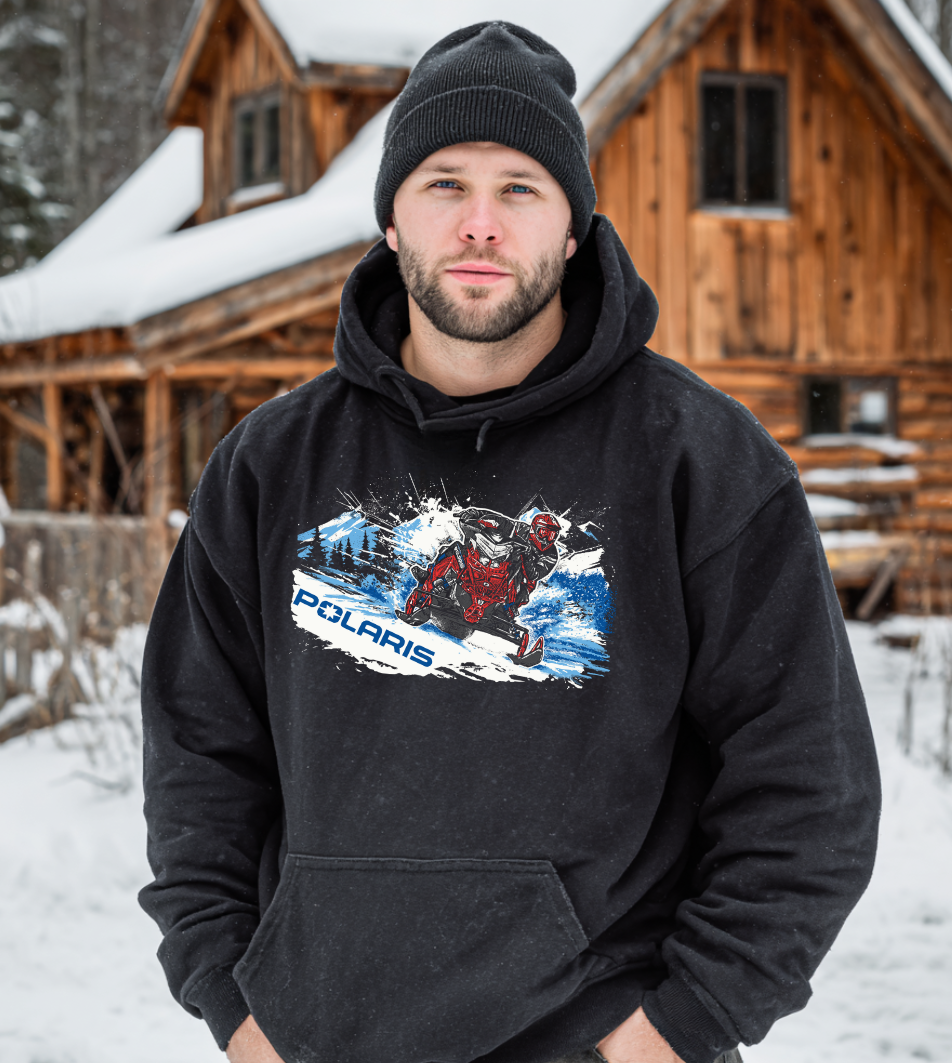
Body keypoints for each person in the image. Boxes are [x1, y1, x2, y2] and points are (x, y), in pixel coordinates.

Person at [139, 21, 881, 1063]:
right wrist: (232, 1000)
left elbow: (809, 787)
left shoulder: (697, 463)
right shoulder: (269, 465)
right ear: (391, 221)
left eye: (520, 188)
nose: (479, 223)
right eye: (443, 183)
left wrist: (679, 1027)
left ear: (573, 228)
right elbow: (198, 757)